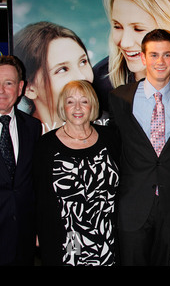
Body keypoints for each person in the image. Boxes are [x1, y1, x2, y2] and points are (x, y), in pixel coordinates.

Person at [108, 29, 170, 266]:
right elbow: (113, 148)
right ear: (143, 58)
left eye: (166, 55)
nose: (160, 61)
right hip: (132, 203)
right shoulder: (119, 98)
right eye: (154, 55)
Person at [33, 80, 120, 265]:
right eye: (70, 101)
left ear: (93, 105)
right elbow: (38, 195)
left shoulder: (110, 138)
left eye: (84, 101)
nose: (77, 107)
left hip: (108, 234)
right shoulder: (46, 146)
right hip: (70, 236)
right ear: (63, 106)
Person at [13, 21, 95, 133]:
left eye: (83, 62)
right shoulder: (20, 141)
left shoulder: (108, 128)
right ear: (29, 88)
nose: (82, 76)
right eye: (62, 69)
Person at [0, 55, 41, 265]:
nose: (1, 90)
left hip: (23, 240)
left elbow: (35, 183)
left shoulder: (33, 128)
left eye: (8, 83)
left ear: (20, 87)